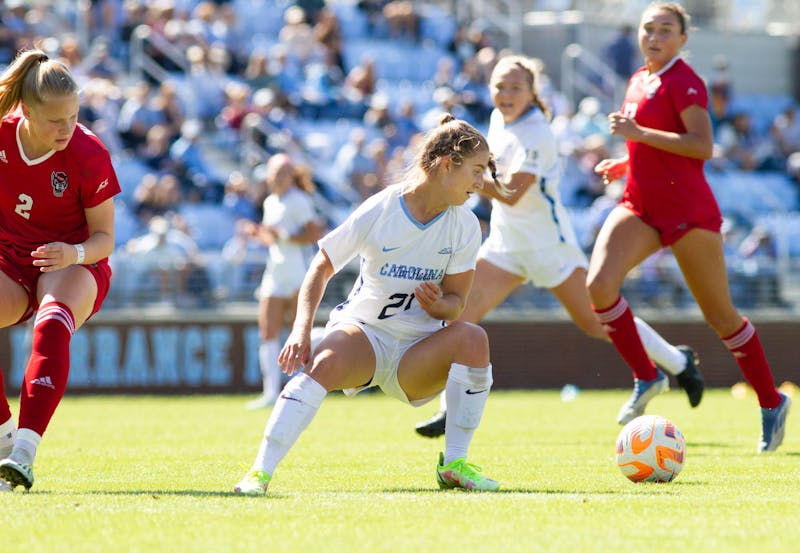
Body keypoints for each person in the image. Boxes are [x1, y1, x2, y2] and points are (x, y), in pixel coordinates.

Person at [415, 53, 704, 438]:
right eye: (500, 86)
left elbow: (512, 193)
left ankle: (677, 361)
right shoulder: (497, 118)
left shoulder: (538, 132)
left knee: (598, 324)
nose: (506, 93)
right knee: (459, 320)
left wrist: (456, 176)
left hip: (549, 247)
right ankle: (450, 410)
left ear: (533, 92)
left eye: (516, 87)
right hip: (505, 246)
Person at [233, 114, 501, 494]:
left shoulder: (466, 225)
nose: (481, 182)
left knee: (473, 339)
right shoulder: (384, 207)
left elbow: (456, 304)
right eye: (476, 170)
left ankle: (454, 464)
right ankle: (259, 473)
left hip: (416, 355)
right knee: (321, 365)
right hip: (366, 338)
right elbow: (322, 264)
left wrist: (439, 306)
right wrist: (301, 329)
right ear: (446, 165)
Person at [588, 2, 790, 453]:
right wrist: (626, 161)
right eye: (648, 28)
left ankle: (771, 400)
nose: (655, 36)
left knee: (722, 317)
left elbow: (701, 147)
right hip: (640, 205)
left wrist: (637, 135)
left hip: (688, 213)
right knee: (599, 286)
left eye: (665, 29)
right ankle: (648, 374)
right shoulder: (639, 79)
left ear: (683, 38)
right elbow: (653, 146)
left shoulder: (687, 81)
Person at [0, 49, 121, 490]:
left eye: (74, 116)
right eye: (56, 120)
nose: (67, 128)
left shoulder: (89, 154)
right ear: (26, 111)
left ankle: (25, 454)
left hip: (75, 262)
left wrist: (71, 254)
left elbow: (105, 239)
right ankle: (3, 440)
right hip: (10, 261)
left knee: (51, 325)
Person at [243, 154, 325, 410]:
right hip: (276, 272)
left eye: (283, 173)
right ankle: (270, 392)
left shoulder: (299, 200)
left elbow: (314, 234)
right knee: (267, 330)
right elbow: (274, 240)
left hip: (298, 272)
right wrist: (260, 234)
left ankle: (306, 387)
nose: (278, 178)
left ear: (291, 176)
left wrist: (284, 235)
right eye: (275, 173)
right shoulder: (270, 202)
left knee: (299, 331)